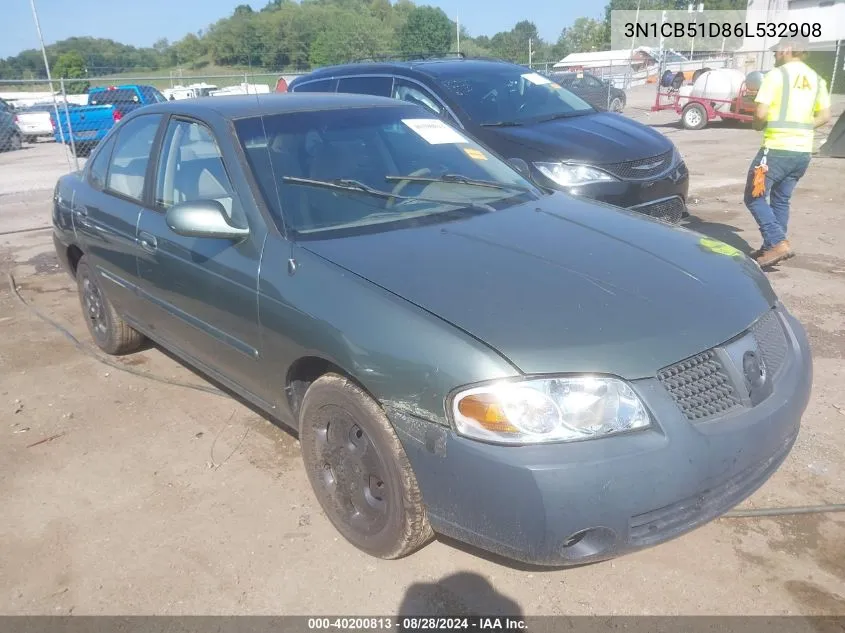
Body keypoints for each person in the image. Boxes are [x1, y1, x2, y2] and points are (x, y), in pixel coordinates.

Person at [744, 35, 831, 268]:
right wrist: (801, 128)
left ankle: (778, 242)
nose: (774, 54)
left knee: (754, 196)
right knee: (781, 200)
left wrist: (757, 125)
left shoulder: (776, 76)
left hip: (776, 149)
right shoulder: (817, 79)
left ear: (788, 49)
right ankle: (770, 248)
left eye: (777, 50)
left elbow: (761, 114)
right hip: (802, 152)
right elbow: (824, 116)